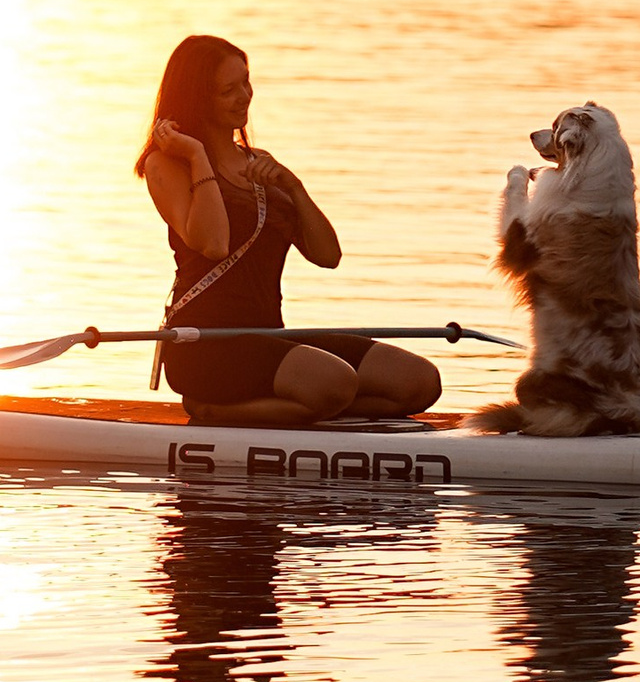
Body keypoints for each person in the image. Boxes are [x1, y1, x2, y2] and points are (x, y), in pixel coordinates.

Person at [138, 34, 442, 429]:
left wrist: (294, 188)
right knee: (332, 382)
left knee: (418, 382)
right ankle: (214, 409)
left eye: (246, 82)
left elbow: (328, 256)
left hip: (268, 337)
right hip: (204, 346)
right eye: (228, 90)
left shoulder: (260, 164)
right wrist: (197, 154)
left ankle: (313, 404)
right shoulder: (167, 165)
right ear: (198, 98)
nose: (244, 96)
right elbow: (213, 244)